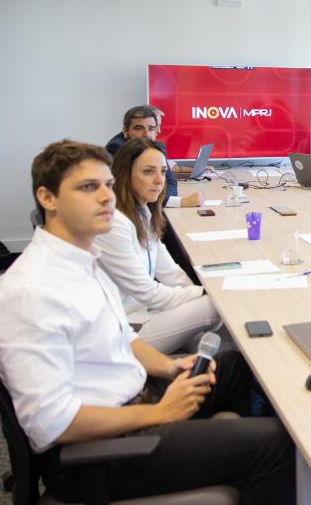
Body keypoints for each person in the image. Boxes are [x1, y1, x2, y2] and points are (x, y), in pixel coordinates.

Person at [0, 140, 296, 505]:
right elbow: (51, 424)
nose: (106, 196)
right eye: (88, 187)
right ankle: (256, 491)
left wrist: (170, 367)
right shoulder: (29, 292)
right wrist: (161, 412)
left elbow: (122, 338)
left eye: (108, 185)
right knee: (276, 445)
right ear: (47, 198)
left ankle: (243, 500)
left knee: (237, 366)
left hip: (134, 402)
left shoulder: (80, 259)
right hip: (98, 453)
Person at [94, 138, 221, 354]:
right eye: (148, 172)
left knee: (209, 341)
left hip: (146, 313)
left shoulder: (144, 213)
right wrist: (201, 293)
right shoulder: (114, 224)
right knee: (216, 305)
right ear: (125, 175)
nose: (159, 180)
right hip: (124, 330)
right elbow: (148, 293)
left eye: (162, 171)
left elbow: (172, 274)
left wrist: (194, 292)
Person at [104, 104, 201, 208]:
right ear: (125, 131)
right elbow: (135, 192)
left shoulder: (156, 148)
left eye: (151, 128)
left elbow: (170, 182)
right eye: (139, 128)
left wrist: (166, 199)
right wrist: (180, 202)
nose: (147, 134)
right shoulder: (117, 148)